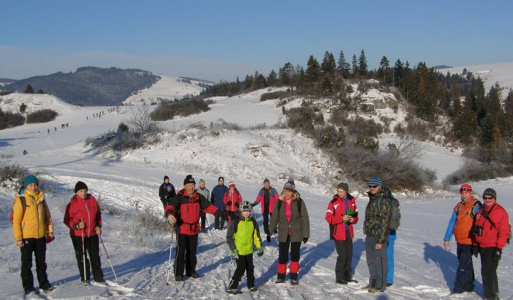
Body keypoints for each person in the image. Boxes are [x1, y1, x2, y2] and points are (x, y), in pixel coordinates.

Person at [166, 175, 224, 281]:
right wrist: (170, 214)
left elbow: (208, 206)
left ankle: (191, 271)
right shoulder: (179, 197)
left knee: (192, 252)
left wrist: (219, 213)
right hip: (182, 228)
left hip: (194, 229)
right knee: (180, 252)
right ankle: (178, 273)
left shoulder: (198, 197)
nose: (191, 187)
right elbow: (170, 206)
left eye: (192, 185)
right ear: (185, 186)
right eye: (188, 185)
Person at [12, 175, 55, 295]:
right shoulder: (21, 200)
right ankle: (28, 287)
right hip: (26, 237)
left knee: (41, 262)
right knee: (27, 263)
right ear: (26, 186)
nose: (33, 187)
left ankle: (44, 284)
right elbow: (16, 221)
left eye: (35, 184)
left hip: (40, 236)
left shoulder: (41, 198)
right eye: (30, 185)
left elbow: (47, 216)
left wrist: (50, 231)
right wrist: (18, 238)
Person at [269, 180, 310, 285]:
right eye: (285, 190)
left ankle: (293, 276)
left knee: (295, 255)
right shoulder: (279, 202)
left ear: (293, 191)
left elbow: (304, 218)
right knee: (282, 255)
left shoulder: (299, 202)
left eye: (290, 191)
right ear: (283, 190)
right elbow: (274, 217)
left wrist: (305, 234)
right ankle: (281, 276)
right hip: (283, 232)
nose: (287, 193)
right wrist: (271, 230)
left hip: (297, 232)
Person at [63, 181, 105, 284]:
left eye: (85, 190)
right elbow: (66, 220)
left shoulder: (92, 200)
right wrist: (76, 226)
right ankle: (85, 278)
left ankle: (98, 278)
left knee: (95, 256)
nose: (83, 193)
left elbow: (98, 215)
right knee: (82, 257)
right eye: (81, 191)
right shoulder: (72, 203)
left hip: (92, 233)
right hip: (78, 235)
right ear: (76, 192)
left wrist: (98, 226)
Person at [443, 183, 481, 294]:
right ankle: (469, 285)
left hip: (470, 241)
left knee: (462, 266)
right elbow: (452, 222)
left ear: (471, 193)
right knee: (466, 264)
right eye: (462, 193)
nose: (464, 195)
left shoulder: (476, 206)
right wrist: (446, 239)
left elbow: (482, 223)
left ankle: (457, 290)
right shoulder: (458, 206)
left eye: (466, 193)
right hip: (459, 240)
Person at [474, 188, 510, 300]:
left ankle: (490, 296)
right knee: (490, 271)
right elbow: (476, 229)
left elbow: (504, 231)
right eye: (485, 197)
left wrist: (499, 248)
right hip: (482, 246)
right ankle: (494, 292)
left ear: (494, 198)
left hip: (493, 246)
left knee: (487, 271)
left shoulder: (500, 211)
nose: (487, 200)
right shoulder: (480, 211)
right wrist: (475, 244)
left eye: (490, 198)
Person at [226, 201, 264, 294]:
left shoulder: (253, 221)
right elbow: (229, 237)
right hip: (239, 250)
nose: (247, 213)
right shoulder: (236, 221)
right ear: (241, 211)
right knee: (241, 268)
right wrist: (233, 249)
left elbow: (256, 235)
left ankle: (251, 285)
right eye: (245, 211)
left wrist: (259, 247)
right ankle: (232, 286)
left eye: (248, 211)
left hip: (249, 250)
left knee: (250, 268)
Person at [363, 176, 392, 293]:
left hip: (378, 236)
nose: (372, 188)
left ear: (379, 186)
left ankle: (381, 285)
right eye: (370, 186)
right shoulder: (373, 199)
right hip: (370, 235)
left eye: (374, 186)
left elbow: (385, 221)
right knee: (370, 260)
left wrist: (380, 240)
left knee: (379, 261)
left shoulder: (384, 200)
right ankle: (373, 282)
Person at [325, 182, 358, 284]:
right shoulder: (333, 202)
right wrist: (341, 218)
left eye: (341, 191)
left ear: (346, 191)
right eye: (338, 191)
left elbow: (356, 217)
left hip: (349, 231)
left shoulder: (352, 202)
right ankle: (339, 277)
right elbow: (328, 218)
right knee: (342, 255)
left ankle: (347, 276)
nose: (339, 193)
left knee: (349, 254)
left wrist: (353, 219)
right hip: (338, 232)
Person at [252, 178, 280, 242]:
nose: (267, 184)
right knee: (265, 220)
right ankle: (266, 231)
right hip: (264, 208)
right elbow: (258, 199)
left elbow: (277, 198)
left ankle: (274, 230)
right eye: (265, 183)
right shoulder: (261, 191)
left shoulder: (273, 190)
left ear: (269, 184)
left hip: (272, 208)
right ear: (264, 184)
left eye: (268, 183)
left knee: (273, 219)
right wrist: (254, 204)